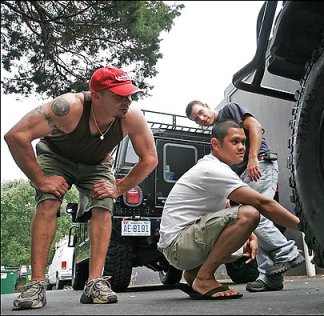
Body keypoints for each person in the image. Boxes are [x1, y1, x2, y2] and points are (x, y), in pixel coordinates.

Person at [4, 66, 158, 310]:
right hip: (56, 157)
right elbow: (16, 136)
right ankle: (36, 284)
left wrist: (118, 189)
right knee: (49, 201)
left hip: (96, 163)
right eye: (119, 95)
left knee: (104, 205)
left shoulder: (132, 117)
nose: (127, 101)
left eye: (130, 94)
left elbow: (150, 159)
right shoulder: (67, 107)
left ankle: (95, 283)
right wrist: (41, 179)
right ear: (96, 95)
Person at [157, 120, 301, 300]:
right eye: (234, 142)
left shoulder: (217, 168)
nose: (242, 147)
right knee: (249, 214)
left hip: (179, 246)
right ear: (215, 144)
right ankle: (204, 278)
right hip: (179, 246)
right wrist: (305, 228)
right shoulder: (213, 169)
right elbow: (262, 203)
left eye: (243, 141)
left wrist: (251, 236)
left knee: (243, 226)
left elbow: (225, 210)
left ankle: (193, 274)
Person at [185, 101, 304, 292]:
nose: (201, 118)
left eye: (200, 112)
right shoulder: (216, 133)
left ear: (206, 106)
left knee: (259, 212)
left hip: (260, 164)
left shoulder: (229, 110)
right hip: (242, 175)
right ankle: (269, 276)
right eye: (196, 119)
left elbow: (255, 126)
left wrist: (253, 158)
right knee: (253, 219)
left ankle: (286, 252)